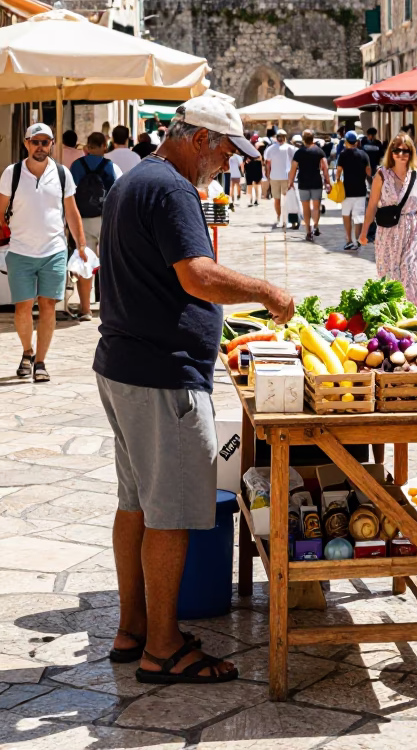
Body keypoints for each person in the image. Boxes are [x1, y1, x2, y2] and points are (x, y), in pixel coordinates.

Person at [94, 90, 294, 684]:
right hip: (162, 376)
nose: (227, 164)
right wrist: (265, 291)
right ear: (200, 139)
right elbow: (197, 276)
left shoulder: (138, 179)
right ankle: (162, 648)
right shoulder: (175, 188)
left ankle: (133, 629)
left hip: (124, 365)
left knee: (136, 504)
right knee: (173, 513)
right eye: (224, 152)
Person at [0, 123, 87, 382]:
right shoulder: (11, 173)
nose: (40, 147)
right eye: (35, 141)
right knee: (22, 308)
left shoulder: (62, 174)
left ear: (51, 144)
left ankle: (40, 361)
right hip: (20, 250)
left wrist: (81, 245)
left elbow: (71, 212)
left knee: (48, 305)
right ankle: (27, 351)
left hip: (54, 250)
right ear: (26, 144)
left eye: (45, 142)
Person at [359, 132, 417, 303]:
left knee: (410, 272)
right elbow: (372, 206)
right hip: (388, 232)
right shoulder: (381, 175)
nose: (401, 154)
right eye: (397, 151)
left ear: (411, 153)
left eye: (405, 151)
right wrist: (364, 232)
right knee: (389, 277)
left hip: (412, 230)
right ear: (391, 153)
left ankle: (409, 313)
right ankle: (393, 316)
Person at [70, 133, 122, 321]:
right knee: (108, 263)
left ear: (88, 147)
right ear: (103, 146)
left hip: (82, 220)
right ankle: (109, 307)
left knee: (85, 262)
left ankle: (85, 309)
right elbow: (119, 193)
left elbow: (68, 194)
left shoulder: (76, 166)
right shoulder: (111, 166)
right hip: (106, 219)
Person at [287, 129, 331, 241]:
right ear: (313, 139)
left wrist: (290, 182)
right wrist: (328, 182)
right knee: (316, 207)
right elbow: (325, 167)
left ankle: (308, 231)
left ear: (303, 139)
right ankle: (315, 226)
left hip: (303, 182)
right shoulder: (319, 151)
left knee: (306, 208)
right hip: (316, 181)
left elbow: (293, 169)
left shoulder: (299, 152)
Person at [336, 131, 371, 250]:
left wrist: (337, 181)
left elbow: (339, 170)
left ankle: (349, 240)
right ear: (356, 142)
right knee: (358, 217)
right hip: (360, 190)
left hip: (347, 190)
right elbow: (368, 171)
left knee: (346, 215)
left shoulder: (343, 154)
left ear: (346, 141)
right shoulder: (364, 154)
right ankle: (357, 241)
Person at [263, 127, 296, 228]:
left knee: (279, 199)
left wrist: (268, 174)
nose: (281, 138)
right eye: (280, 137)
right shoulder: (290, 148)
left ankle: (281, 218)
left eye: (282, 137)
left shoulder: (271, 148)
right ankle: (281, 218)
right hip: (282, 177)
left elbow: (267, 163)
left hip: (278, 177)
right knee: (282, 199)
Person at [244, 134, 263, 205]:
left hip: (251, 167)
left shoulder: (247, 148)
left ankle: (252, 199)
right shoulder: (260, 149)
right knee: (255, 185)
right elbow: (261, 159)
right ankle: (255, 199)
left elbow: (246, 160)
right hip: (255, 167)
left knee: (251, 185)